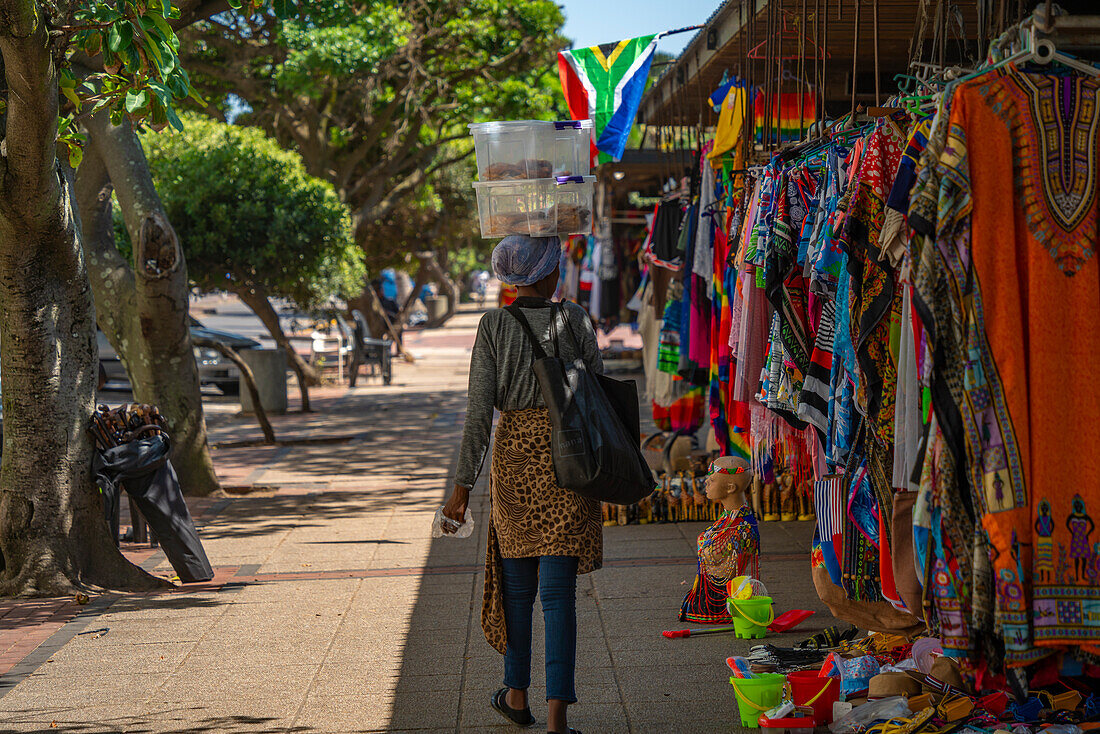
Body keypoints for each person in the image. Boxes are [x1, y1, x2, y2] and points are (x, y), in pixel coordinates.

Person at [442, 235, 601, 734]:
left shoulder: (492, 326)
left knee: (517, 593)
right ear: (551, 274)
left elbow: (478, 411)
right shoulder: (573, 319)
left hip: (514, 464)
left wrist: (462, 484)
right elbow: (598, 389)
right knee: (558, 597)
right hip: (568, 462)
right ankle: (557, 720)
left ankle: (515, 694)